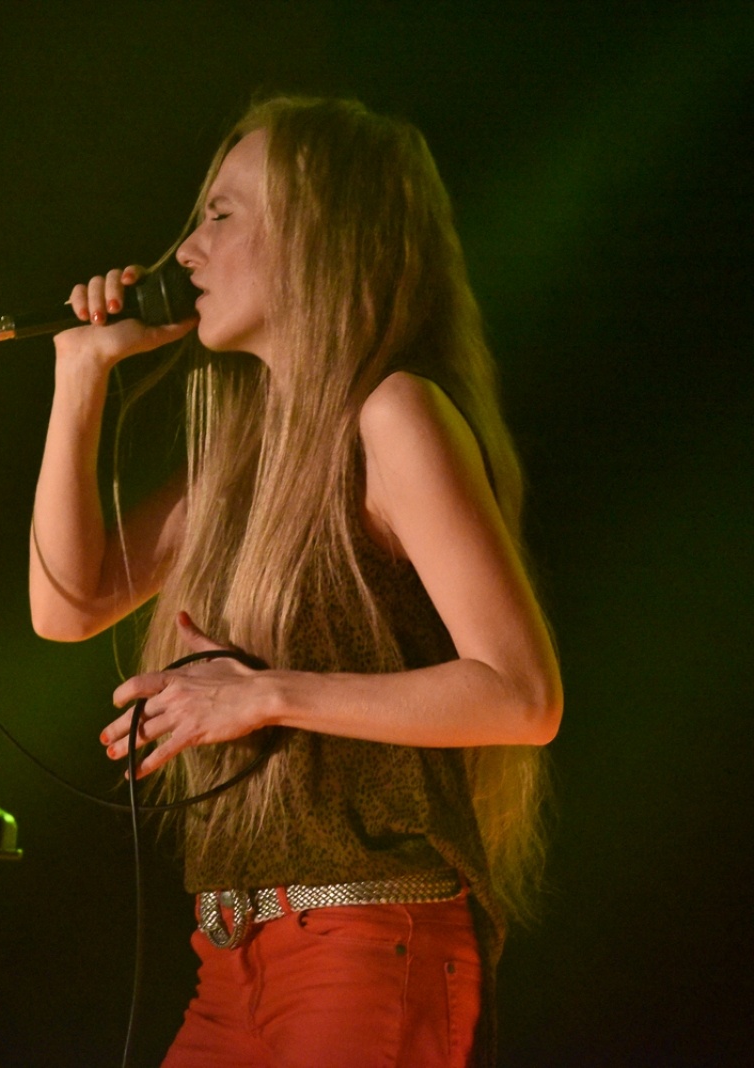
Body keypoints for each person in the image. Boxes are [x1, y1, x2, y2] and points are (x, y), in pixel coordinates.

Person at [30, 97, 561, 1067]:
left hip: (364, 933)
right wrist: (80, 379)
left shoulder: (393, 416)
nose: (184, 249)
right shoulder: (243, 451)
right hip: (233, 948)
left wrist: (262, 695)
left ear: (322, 234)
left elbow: (520, 695)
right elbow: (66, 606)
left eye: (222, 215)